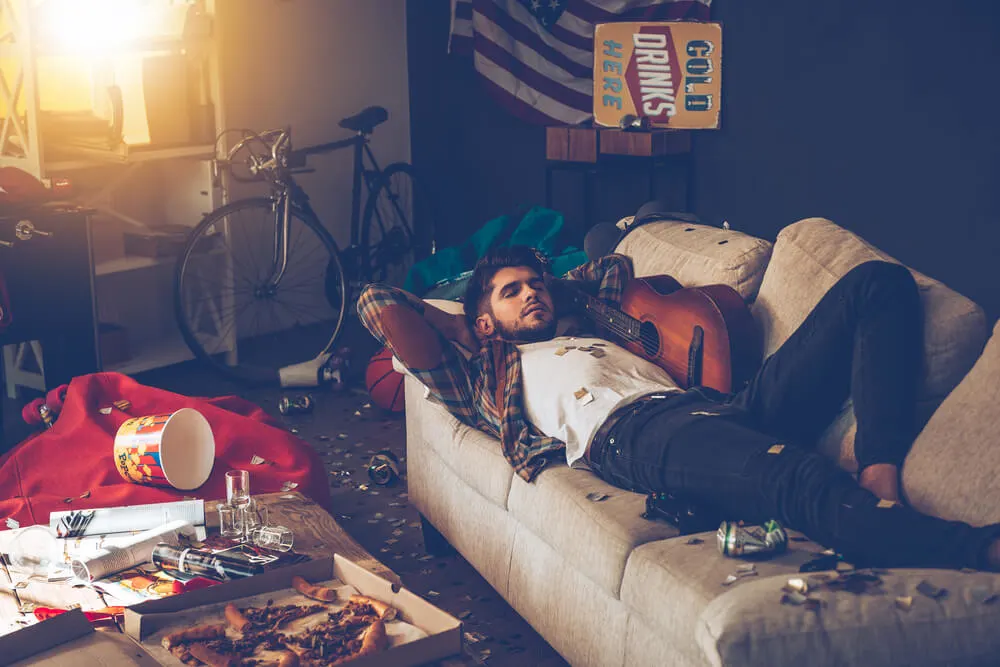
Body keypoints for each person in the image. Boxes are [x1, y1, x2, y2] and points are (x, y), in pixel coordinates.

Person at [358, 244, 1000, 571]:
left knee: (874, 283)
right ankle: (975, 552)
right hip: (637, 435)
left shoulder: (593, 319)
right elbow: (378, 303)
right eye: (510, 292)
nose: (531, 294)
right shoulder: (486, 374)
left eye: (535, 284)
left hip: (717, 408)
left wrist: (552, 291)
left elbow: (611, 265)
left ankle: (880, 462)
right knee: (794, 476)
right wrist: (469, 327)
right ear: (484, 319)